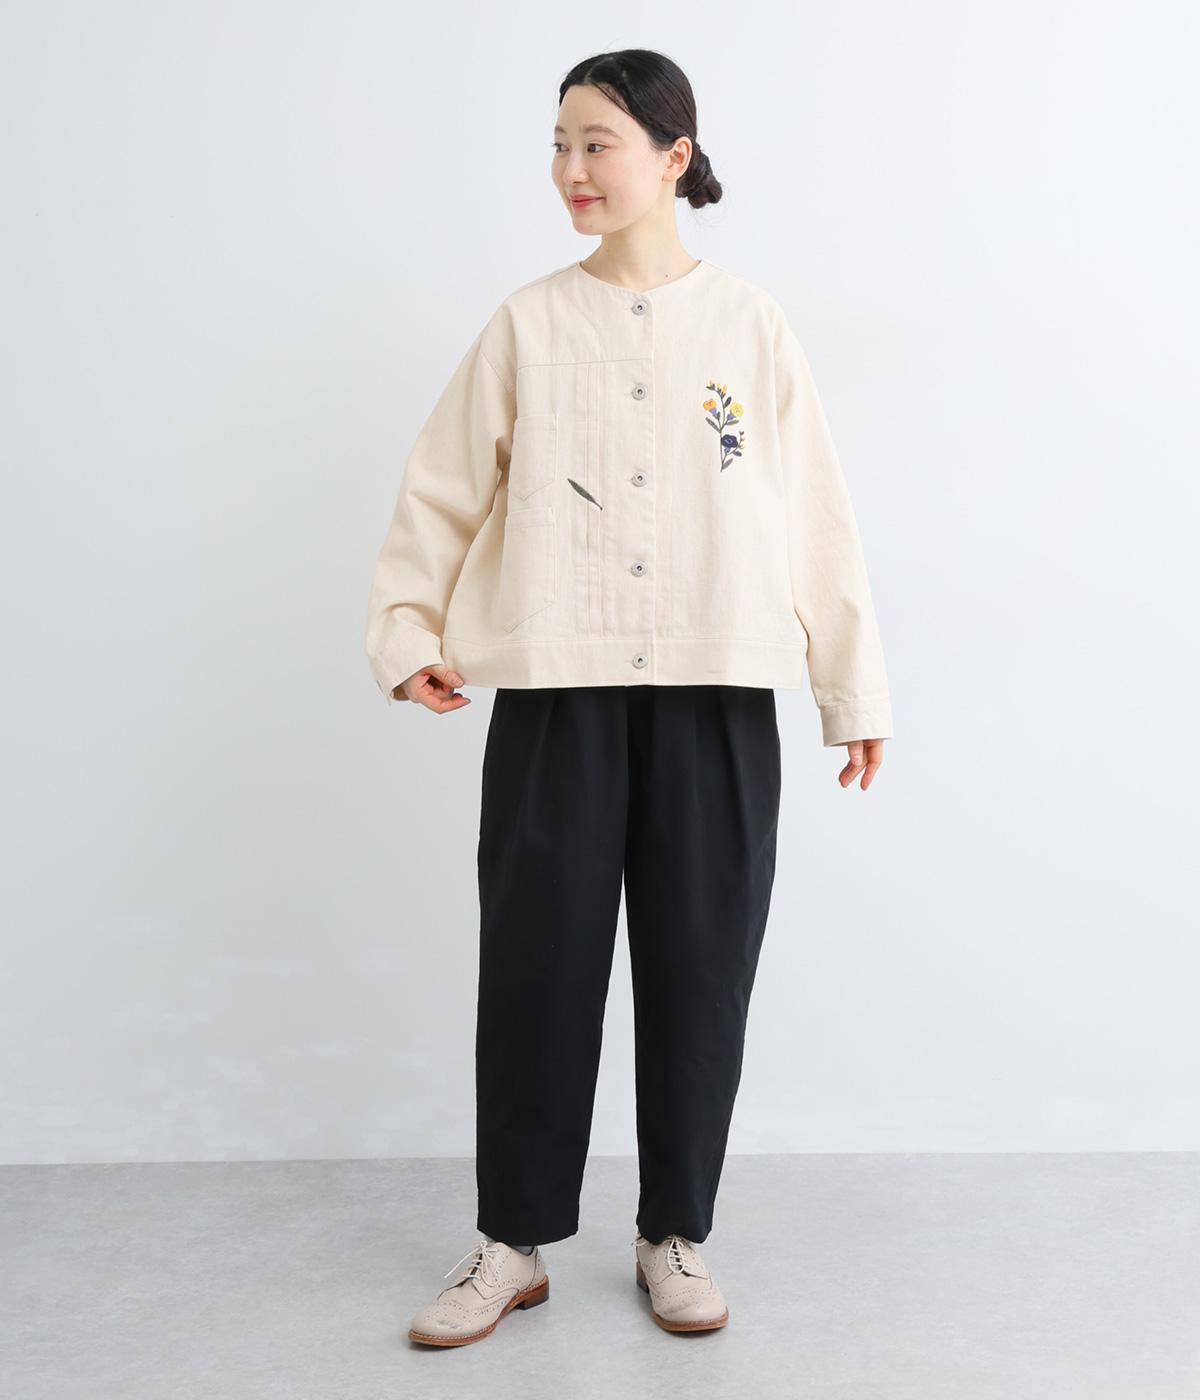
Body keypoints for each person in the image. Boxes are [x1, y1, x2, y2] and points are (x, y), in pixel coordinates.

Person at [366, 49, 894, 1348]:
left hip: (718, 686)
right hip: (559, 689)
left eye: (596, 143)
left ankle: (675, 1234)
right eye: (558, 145)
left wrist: (851, 687)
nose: (570, 171)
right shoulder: (529, 325)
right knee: (535, 968)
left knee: (700, 969)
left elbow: (815, 515)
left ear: (674, 155)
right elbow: (442, 488)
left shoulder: (750, 329)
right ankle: (512, 1242)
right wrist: (408, 631)